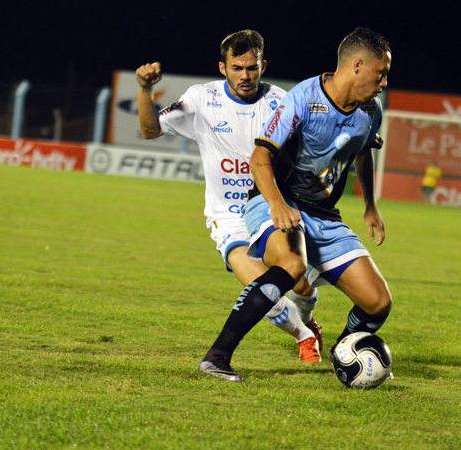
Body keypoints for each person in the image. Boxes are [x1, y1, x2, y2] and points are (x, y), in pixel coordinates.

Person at [199, 27, 393, 382]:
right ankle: (217, 356)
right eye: (381, 73)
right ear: (358, 66)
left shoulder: (371, 111)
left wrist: (370, 204)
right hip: (277, 200)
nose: (383, 82)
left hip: (324, 214)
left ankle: (346, 352)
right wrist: (276, 204)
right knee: (292, 265)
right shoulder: (302, 98)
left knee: (378, 302)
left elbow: (364, 151)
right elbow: (260, 157)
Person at [136, 30, 323, 363]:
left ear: (263, 66)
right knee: (263, 292)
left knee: (301, 286)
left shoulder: (282, 102)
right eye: (237, 68)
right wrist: (146, 89)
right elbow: (150, 130)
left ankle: (308, 320)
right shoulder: (201, 98)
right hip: (228, 217)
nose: (245, 76)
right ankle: (305, 337)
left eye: (252, 68)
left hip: (270, 209)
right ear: (223, 68)